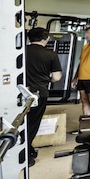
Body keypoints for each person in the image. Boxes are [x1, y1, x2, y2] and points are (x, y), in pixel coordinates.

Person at [25, 27, 62, 166]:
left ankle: (26, 149)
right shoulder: (51, 54)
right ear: (46, 39)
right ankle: (26, 155)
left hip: (19, 93)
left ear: (29, 39)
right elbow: (57, 77)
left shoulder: (21, 52)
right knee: (32, 124)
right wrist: (47, 80)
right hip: (39, 93)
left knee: (20, 122)